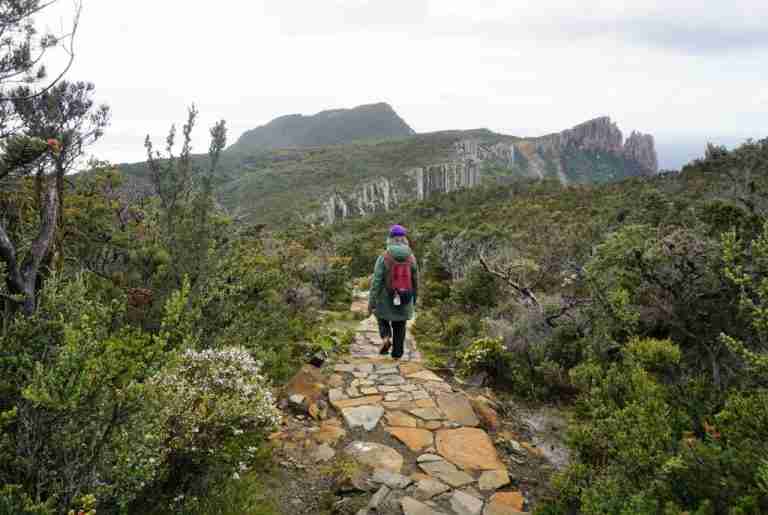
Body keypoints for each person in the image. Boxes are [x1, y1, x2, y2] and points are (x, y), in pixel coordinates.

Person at [367, 224, 418, 359]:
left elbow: (376, 282)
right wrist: (414, 298)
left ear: (390, 239)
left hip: (386, 298)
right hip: (405, 297)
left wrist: (371, 302)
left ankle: (386, 337)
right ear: (404, 239)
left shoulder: (384, 257)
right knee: (400, 324)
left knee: (380, 316)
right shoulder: (411, 257)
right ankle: (397, 353)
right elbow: (415, 280)